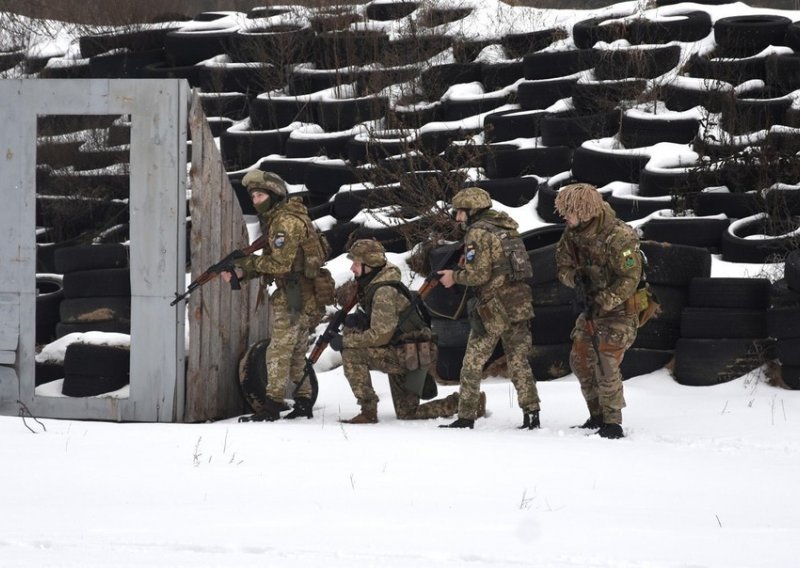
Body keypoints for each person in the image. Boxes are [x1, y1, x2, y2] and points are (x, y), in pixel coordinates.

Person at [330, 239, 475, 424]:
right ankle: (465, 403)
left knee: (351, 354)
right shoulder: (375, 283)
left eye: (357, 263)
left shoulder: (383, 290)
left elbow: (380, 336)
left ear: (370, 265)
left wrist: (344, 342)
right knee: (407, 412)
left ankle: (368, 411)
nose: (352, 268)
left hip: (406, 354)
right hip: (406, 352)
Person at [223, 170, 327, 421]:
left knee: (278, 352)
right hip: (303, 294)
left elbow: (280, 264)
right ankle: (303, 402)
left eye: (260, 195)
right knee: (294, 354)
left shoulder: (284, 223)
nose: (256, 200)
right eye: (253, 196)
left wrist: (246, 265)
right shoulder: (286, 218)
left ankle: (271, 408)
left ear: (274, 194)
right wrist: (242, 273)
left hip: (295, 297)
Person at [437, 187, 540, 430]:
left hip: (494, 307)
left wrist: (455, 276)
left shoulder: (477, 233)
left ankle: (466, 416)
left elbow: (479, 274)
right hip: (519, 302)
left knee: (472, 361)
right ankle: (532, 414)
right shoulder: (506, 227)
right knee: (518, 361)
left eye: (460, 212)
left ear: (472, 211)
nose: (458, 218)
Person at [554, 183, 643, 439]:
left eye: (569, 212)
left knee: (606, 361)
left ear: (585, 212)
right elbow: (562, 265)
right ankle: (597, 415)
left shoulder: (619, 236)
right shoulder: (572, 234)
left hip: (620, 310)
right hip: (591, 307)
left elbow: (630, 277)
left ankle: (613, 421)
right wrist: (575, 279)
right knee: (580, 360)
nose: (564, 217)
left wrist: (604, 300)